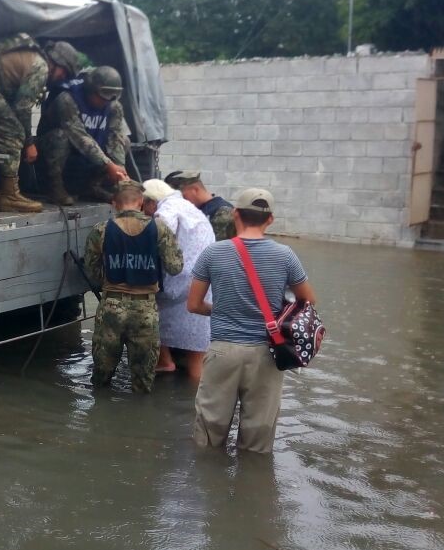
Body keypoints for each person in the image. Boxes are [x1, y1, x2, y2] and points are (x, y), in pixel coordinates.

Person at [186, 188, 317, 454]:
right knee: (258, 438)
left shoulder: (213, 253)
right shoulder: (285, 255)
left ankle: (211, 487)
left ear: (236, 214)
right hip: (267, 355)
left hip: (222, 352)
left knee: (209, 436)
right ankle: (253, 489)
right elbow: (308, 301)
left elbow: (194, 305)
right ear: (270, 220)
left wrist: (223, 310)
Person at [84, 180, 183, 393]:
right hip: (145, 309)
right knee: (143, 379)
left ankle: (99, 420)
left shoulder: (100, 230)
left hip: (110, 305)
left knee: (101, 376)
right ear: (141, 202)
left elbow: (92, 273)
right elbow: (175, 267)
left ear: (114, 203)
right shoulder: (159, 228)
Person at [0, 36, 80, 213]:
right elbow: (22, 107)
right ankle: (10, 195)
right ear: (56, 62)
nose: (62, 78)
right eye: (64, 72)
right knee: (13, 133)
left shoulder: (31, 57)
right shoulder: (41, 67)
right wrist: (29, 143)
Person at [142, 178, 215, 380]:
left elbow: (162, 227)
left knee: (148, 310)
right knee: (197, 349)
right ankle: (200, 400)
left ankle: (165, 362)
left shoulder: (167, 209)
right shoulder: (186, 206)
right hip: (202, 280)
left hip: (181, 279)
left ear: (150, 201)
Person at [37, 65, 131, 206]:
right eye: (102, 97)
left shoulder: (113, 105)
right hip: (60, 155)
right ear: (90, 90)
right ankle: (55, 188)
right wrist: (108, 164)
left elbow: (115, 136)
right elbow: (78, 136)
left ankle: (92, 186)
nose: (106, 102)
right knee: (60, 136)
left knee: (125, 141)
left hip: (88, 157)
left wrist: (119, 168)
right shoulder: (67, 99)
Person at [164, 170, 236, 240]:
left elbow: (219, 248)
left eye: (182, 195)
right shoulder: (196, 210)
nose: (179, 200)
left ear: (195, 190)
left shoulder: (223, 211)